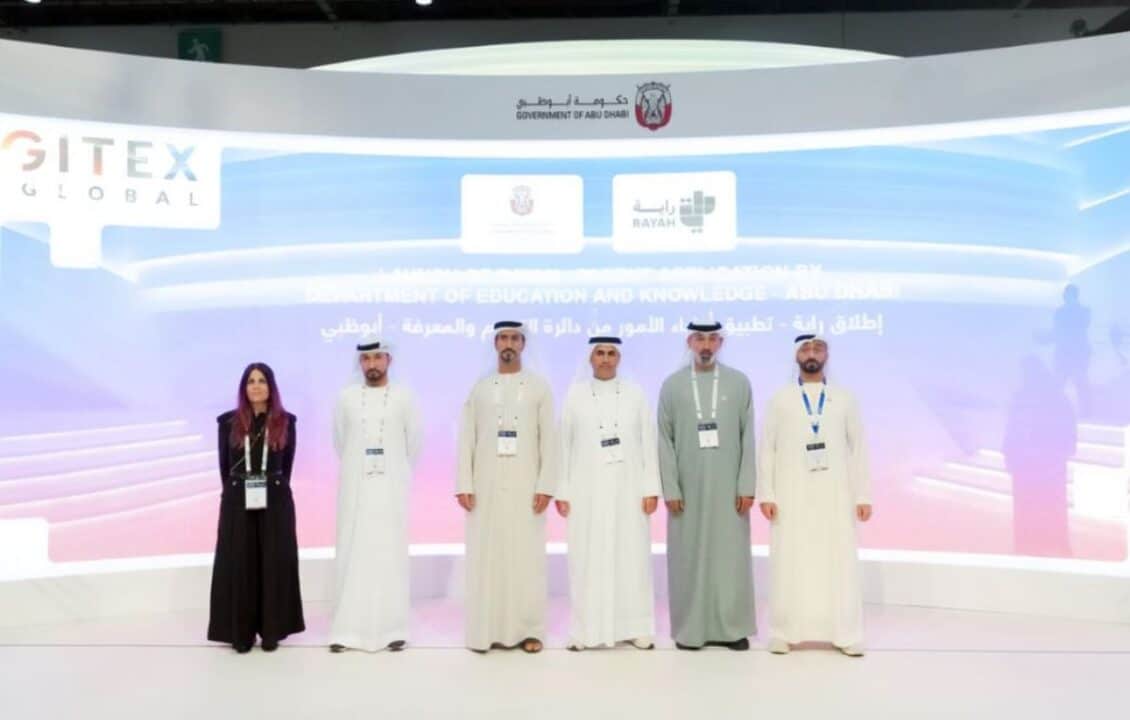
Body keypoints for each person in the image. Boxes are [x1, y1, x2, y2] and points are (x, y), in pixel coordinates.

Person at [757, 334, 872, 657]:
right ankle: (783, 632)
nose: (811, 354)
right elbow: (767, 448)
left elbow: (859, 448)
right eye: (805, 348)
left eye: (817, 348)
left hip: (835, 495)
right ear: (796, 356)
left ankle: (845, 633)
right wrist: (767, 493)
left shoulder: (844, 399)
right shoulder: (780, 399)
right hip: (790, 495)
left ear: (827, 355)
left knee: (838, 561)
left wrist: (863, 495)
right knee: (790, 560)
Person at [456, 321, 557, 653]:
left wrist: (546, 485)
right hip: (485, 485)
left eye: (514, 338)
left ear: (523, 344)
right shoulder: (481, 389)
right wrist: (464, 483)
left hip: (527, 486)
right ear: (495, 344)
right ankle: (486, 630)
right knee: (488, 558)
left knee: (526, 558)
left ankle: (529, 631)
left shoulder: (539, 388)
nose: (508, 343)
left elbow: (549, 440)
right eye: (503, 338)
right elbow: (466, 438)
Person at [657, 320, 756, 651]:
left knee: (730, 558)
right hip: (687, 490)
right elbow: (664, 441)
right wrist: (670, 488)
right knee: (689, 557)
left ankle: (733, 629)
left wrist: (746, 485)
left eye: (712, 339)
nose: (706, 345)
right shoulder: (672, 385)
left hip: (729, 489)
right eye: (700, 339)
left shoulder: (739, 383)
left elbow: (748, 437)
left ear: (720, 343)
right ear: (690, 342)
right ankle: (690, 629)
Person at [557, 336, 660, 651]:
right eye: (599, 353)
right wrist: (562, 490)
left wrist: (651, 487)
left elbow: (648, 441)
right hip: (586, 490)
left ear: (619, 358)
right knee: (586, 558)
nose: (605, 359)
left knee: (631, 557)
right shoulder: (575, 394)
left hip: (629, 489)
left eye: (611, 353)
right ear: (590, 358)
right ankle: (584, 630)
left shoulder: (635, 393)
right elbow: (564, 445)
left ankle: (636, 627)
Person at [328, 338, 423, 653]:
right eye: (366, 358)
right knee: (353, 552)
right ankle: (347, 630)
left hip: (390, 489)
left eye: (378, 357)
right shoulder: (346, 398)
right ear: (360, 363)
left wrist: (395, 473)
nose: (372, 364)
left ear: (389, 360)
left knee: (389, 552)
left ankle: (393, 629)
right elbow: (340, 442)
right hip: (355, 489)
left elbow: (414, 443)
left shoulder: (405, 397)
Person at [208, 362, 304, 653]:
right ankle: (242, 633)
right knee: (240, 562)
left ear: (271, 386)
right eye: (251, 381)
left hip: (275, 500)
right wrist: (236, 492)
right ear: (244, 388)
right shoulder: (228, 422)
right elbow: (224, 466)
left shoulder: (286, 422)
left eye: (262, 380)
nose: (257, 386)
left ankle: (272, 630)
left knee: (274, 561)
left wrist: (272, 488)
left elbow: (287, 466)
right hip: (238, 500)